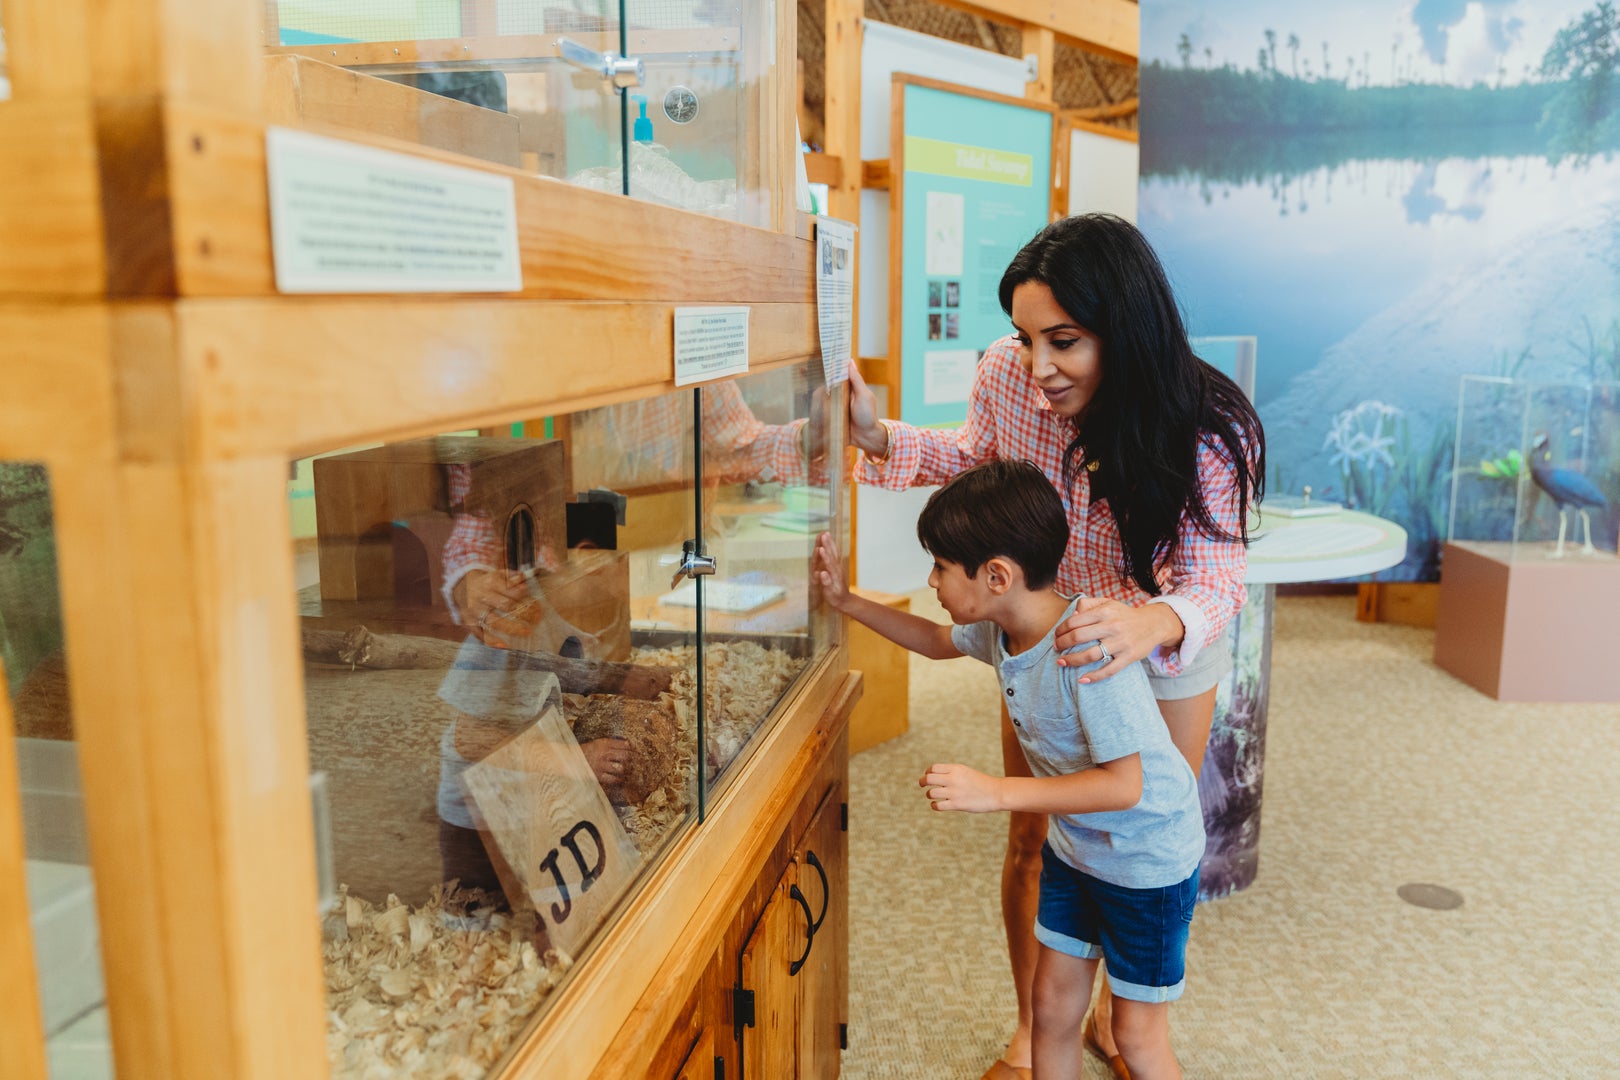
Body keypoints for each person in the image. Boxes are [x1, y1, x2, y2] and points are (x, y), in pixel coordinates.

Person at [846, 213, 1265, 1077]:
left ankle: (1132, 1019)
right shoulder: (1010, 374)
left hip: (1167, 643)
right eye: (1025, 337)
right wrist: (878, 437)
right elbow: (970, 455)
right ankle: (1042, 1024)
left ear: (1127, 326)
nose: (1038, 368)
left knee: (1141, 832)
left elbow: (1219, 582)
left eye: (1064, 341)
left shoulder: (1207, 425)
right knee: (1039, 839)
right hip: (1048, 639)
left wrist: (1150, 621)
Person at [813, 460, 1204, 1080]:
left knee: (1135, 1033)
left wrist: (996, 792)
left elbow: (1124, 786)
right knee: (1050, 1010)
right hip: (1079, 854)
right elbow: (937, 640)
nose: (932, 580)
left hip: (1145, 863)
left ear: (996, 575)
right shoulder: (1001, 632)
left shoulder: (1085, 650)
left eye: (941, 566)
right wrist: (846, 602)